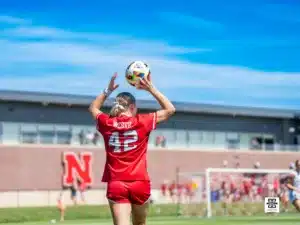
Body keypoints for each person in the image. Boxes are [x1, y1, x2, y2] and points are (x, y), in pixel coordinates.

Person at [88, 73, 175, 225]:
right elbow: (170, 109)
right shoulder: (142, 121)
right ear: (133, 107)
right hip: (139, 182)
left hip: (117, 183)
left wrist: (107, 91)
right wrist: (151, 89)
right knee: (140, 223)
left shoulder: (107, 123)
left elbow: (93, 108)